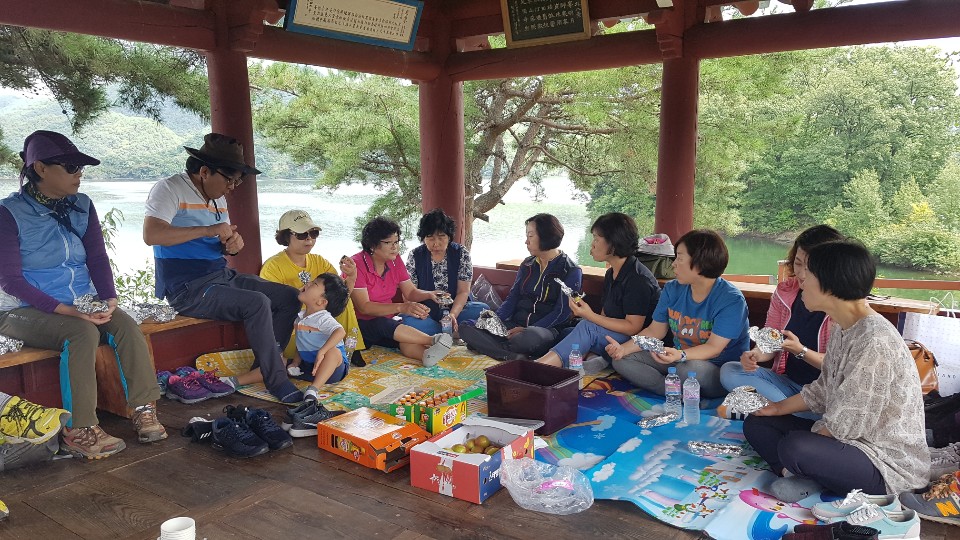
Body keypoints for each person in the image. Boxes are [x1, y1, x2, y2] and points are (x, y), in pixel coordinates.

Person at [0, 131, 166, 459]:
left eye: (81, 168)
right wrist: (71, 312)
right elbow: (10, 281)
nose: (79, 174)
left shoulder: (82, 205)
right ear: (41, 168)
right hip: (21, 308)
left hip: (78, 302)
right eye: (71, 167)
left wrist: (109, 300)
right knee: (80, 332)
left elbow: (97, 258)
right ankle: (80, 428)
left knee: (125, 324)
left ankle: (143, 408)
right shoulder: (8, 213)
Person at [744, 240, 929, 503]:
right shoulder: (843, 327)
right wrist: (775, 409)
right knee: (757, 423)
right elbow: (823, 390)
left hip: (883, 461)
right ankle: (800, 475)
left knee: (795, 446)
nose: (801, 282)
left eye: (807, 275)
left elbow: (848, 422)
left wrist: (807, 442)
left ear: (830, 285)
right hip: (846, 441)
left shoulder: (874, 339)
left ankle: (806, 472)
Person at [143, 133, 302, 403]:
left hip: (220, 276)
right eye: (229, 179)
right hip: (187, 288)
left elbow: (222, 243)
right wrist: (208, 229)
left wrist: (232, 245)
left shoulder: (218, 198)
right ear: (205, 171)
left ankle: (263, 368)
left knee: (289, 296)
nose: (232, 186)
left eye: (237, 181)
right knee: (257, 302)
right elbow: (152, 235)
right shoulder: (169, 189)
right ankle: (275, 379)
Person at [604, 229, 749, 398]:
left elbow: (714, 348)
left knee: (689, 369)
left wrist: (680, 355)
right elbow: (655, 331)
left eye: (679, 258)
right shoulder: (672, 289)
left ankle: (679, 389)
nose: (673, 264)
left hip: (714, 371)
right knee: (622, 360)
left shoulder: (731, 300)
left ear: (700, 262)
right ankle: (670, 392)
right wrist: (623, 349)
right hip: (678, 358)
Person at [720, 225, 845, 410]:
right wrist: (756, 355)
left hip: (826, 394)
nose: (801, 274)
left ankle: (784, 411)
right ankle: (785, 410)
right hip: (788, 384)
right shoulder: (786, 292)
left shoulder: (844, 303)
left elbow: (839, 367)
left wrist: (801, 351)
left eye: (810, 268)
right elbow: (770, 339)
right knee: (730, 371)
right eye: (798, 263)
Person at [536, 213, 660, 372]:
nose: (592, 244)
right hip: (616, 335)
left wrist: (589, 315)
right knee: (569, 331)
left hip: (638, 343)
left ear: (613, 243)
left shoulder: (637, 279)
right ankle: (593, 359)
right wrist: (586, 314)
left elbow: (633, 327)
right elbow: (605, 316)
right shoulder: (611, 273)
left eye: (596, 239)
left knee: (587, 327)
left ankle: (538, 368)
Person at [460, 213, 582, 361]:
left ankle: (488, 346)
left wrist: (526, 329)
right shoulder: (527, 264)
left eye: (530, 236)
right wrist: (493, 320)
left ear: (545, 236)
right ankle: (510, 354)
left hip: (544, 331)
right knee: (467, 326)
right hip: (515, 324)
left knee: (529, 338)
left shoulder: (570, 270)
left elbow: (561, 312)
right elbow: (513, 298)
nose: (526, 241)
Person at [260, 209, 365, 364]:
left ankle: (352, 348)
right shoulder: (273, 267)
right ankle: (300, 360)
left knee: (346, 301)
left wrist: (351, 277)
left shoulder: (319, 261)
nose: (309, 238)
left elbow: (339, 297)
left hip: (320, 324)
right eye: (302, 234)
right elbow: (270, 307)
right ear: (286, 236)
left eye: (313, 233)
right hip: (294, 330)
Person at [349, 217, 452, 366]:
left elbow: (410, 292)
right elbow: (364, 307)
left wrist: (430, 294)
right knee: (383, 324)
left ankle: (426, 355)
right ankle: (434, 340)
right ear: (372, 245)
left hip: (388, 322)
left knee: (404, 337)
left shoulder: (394, 260)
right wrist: (401, 307)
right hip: (359, 327)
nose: (395, 247)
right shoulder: (357, 264)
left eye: (396, 242)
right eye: (388, 243)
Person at [403, 208, 488, 335]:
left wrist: (452, 315)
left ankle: (439, 332)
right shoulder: (415, 255)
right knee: (407, 319)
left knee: (482, 310)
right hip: (427, 312)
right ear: (423, 238)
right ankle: (450, 332)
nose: (436, 243)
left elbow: (463, 291)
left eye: (441, 237)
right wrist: (422, 307)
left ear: (449, 237)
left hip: (456, 311)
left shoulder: (461, 253)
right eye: (430, 237)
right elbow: (409, 295)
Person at [292, 273, 351, 402]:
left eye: (314, 284)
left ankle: (313, 390)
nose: (308, 284)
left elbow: (340, 331)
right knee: (278, 361)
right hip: (310, 367)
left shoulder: (323, 318)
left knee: (333, 352)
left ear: (321, 302)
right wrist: (295, 362)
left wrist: (322, 351)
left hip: (334, 370)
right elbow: (301, 343)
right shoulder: (300, 317)